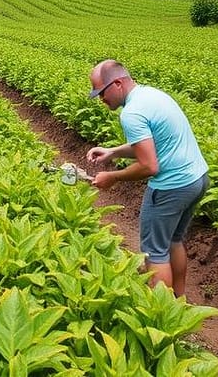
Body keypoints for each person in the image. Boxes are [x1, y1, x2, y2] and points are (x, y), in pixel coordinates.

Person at [85, 59, 208, 298]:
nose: (101, 99)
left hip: (171, 187)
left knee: (154, 252)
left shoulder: (131, 113)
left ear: (118, 83)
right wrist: (114, 152)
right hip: (197, 179)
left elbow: (149, 165)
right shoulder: (152, 95)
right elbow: (151, 146)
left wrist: (113, 177)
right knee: (174, 240)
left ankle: (161, 317)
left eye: (102, 93)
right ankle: (179, 304)